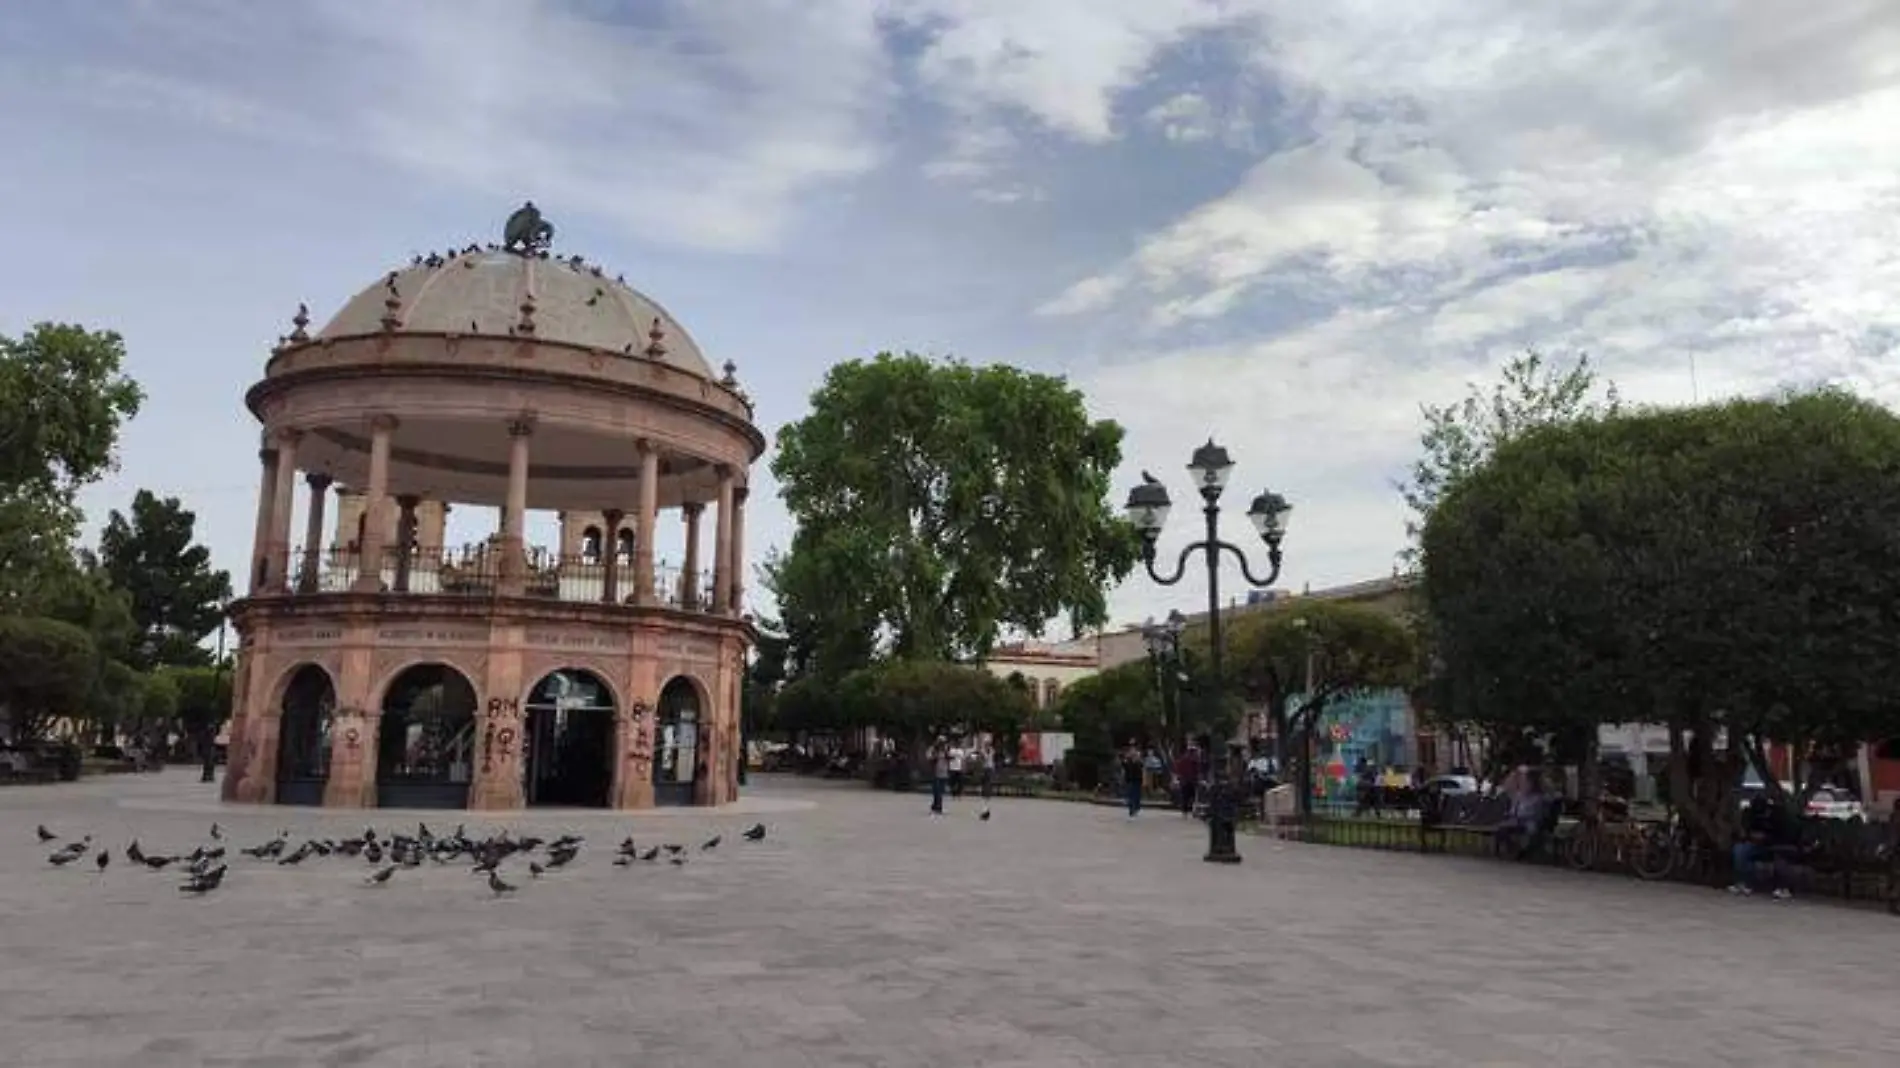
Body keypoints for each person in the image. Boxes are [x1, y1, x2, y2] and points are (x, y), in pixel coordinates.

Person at [1729, 793, 1793, 899]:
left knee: (1780, 856)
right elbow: (1745, 829)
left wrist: (1766, 837)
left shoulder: (1776, 815)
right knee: (1740, 851)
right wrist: (1749, 836)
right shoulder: (1749, 814)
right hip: (1753, 843)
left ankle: (1782, 887)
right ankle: (1743, 882)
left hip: (1773, 844)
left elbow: (1782, 833)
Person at [1120, 742, 1145, 819]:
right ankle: (1131, 809)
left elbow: (1142, 768)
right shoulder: (1128, 761)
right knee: (1130, 794)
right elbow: (1124, 767)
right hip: (1130, 779)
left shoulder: (1138, 761)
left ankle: (1136, 807)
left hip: (1137, 779)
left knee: (1136, 794)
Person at [1174, 745, 1201, 817]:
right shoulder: (1195, 760)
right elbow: (1198, 770)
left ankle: (1185, 811)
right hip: (1191, 780)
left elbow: (1178, 769)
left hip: (1184, 781)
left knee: (1185, 796)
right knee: (1192, 796)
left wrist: (1179, 778)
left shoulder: (1183, 759)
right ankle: (1190, 809)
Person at [927, 736, 950, 816]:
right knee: (936, 791)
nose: (942, 744)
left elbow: (948, 758)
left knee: (940, 791)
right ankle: (937, 807)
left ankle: (936, 806)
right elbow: (929, 757)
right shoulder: (933, 749)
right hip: (935, 772)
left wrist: (948, 757)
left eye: (943, 742)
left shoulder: (946, 750)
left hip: (944, 772)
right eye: (941, 742)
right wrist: (934, 757)